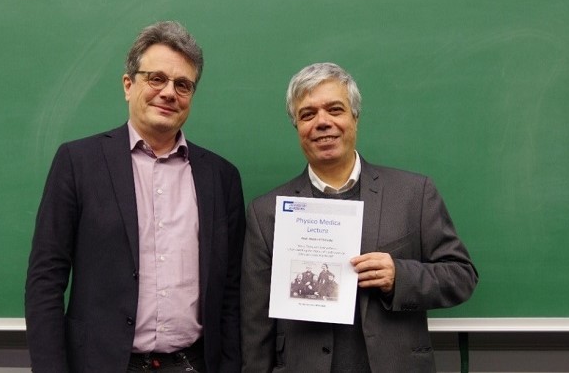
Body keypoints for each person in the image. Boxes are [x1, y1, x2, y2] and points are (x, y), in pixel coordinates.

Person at [25, 21, 245, 373]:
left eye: (182, 84)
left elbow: (231, 291)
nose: (169, 92)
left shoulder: (221, 177)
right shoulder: (78, 162)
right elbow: (45, 279)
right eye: (156, 78)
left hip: (194, 363)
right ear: (128, 85)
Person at [240, 62, 478, 372]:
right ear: (297, 126)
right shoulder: (267, 211)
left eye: (335, 109)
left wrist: (399, 277)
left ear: (355, 117)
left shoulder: (413, 194)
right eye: (308, 114)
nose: (322, 122)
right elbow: (255, 321)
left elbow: (462, 276)